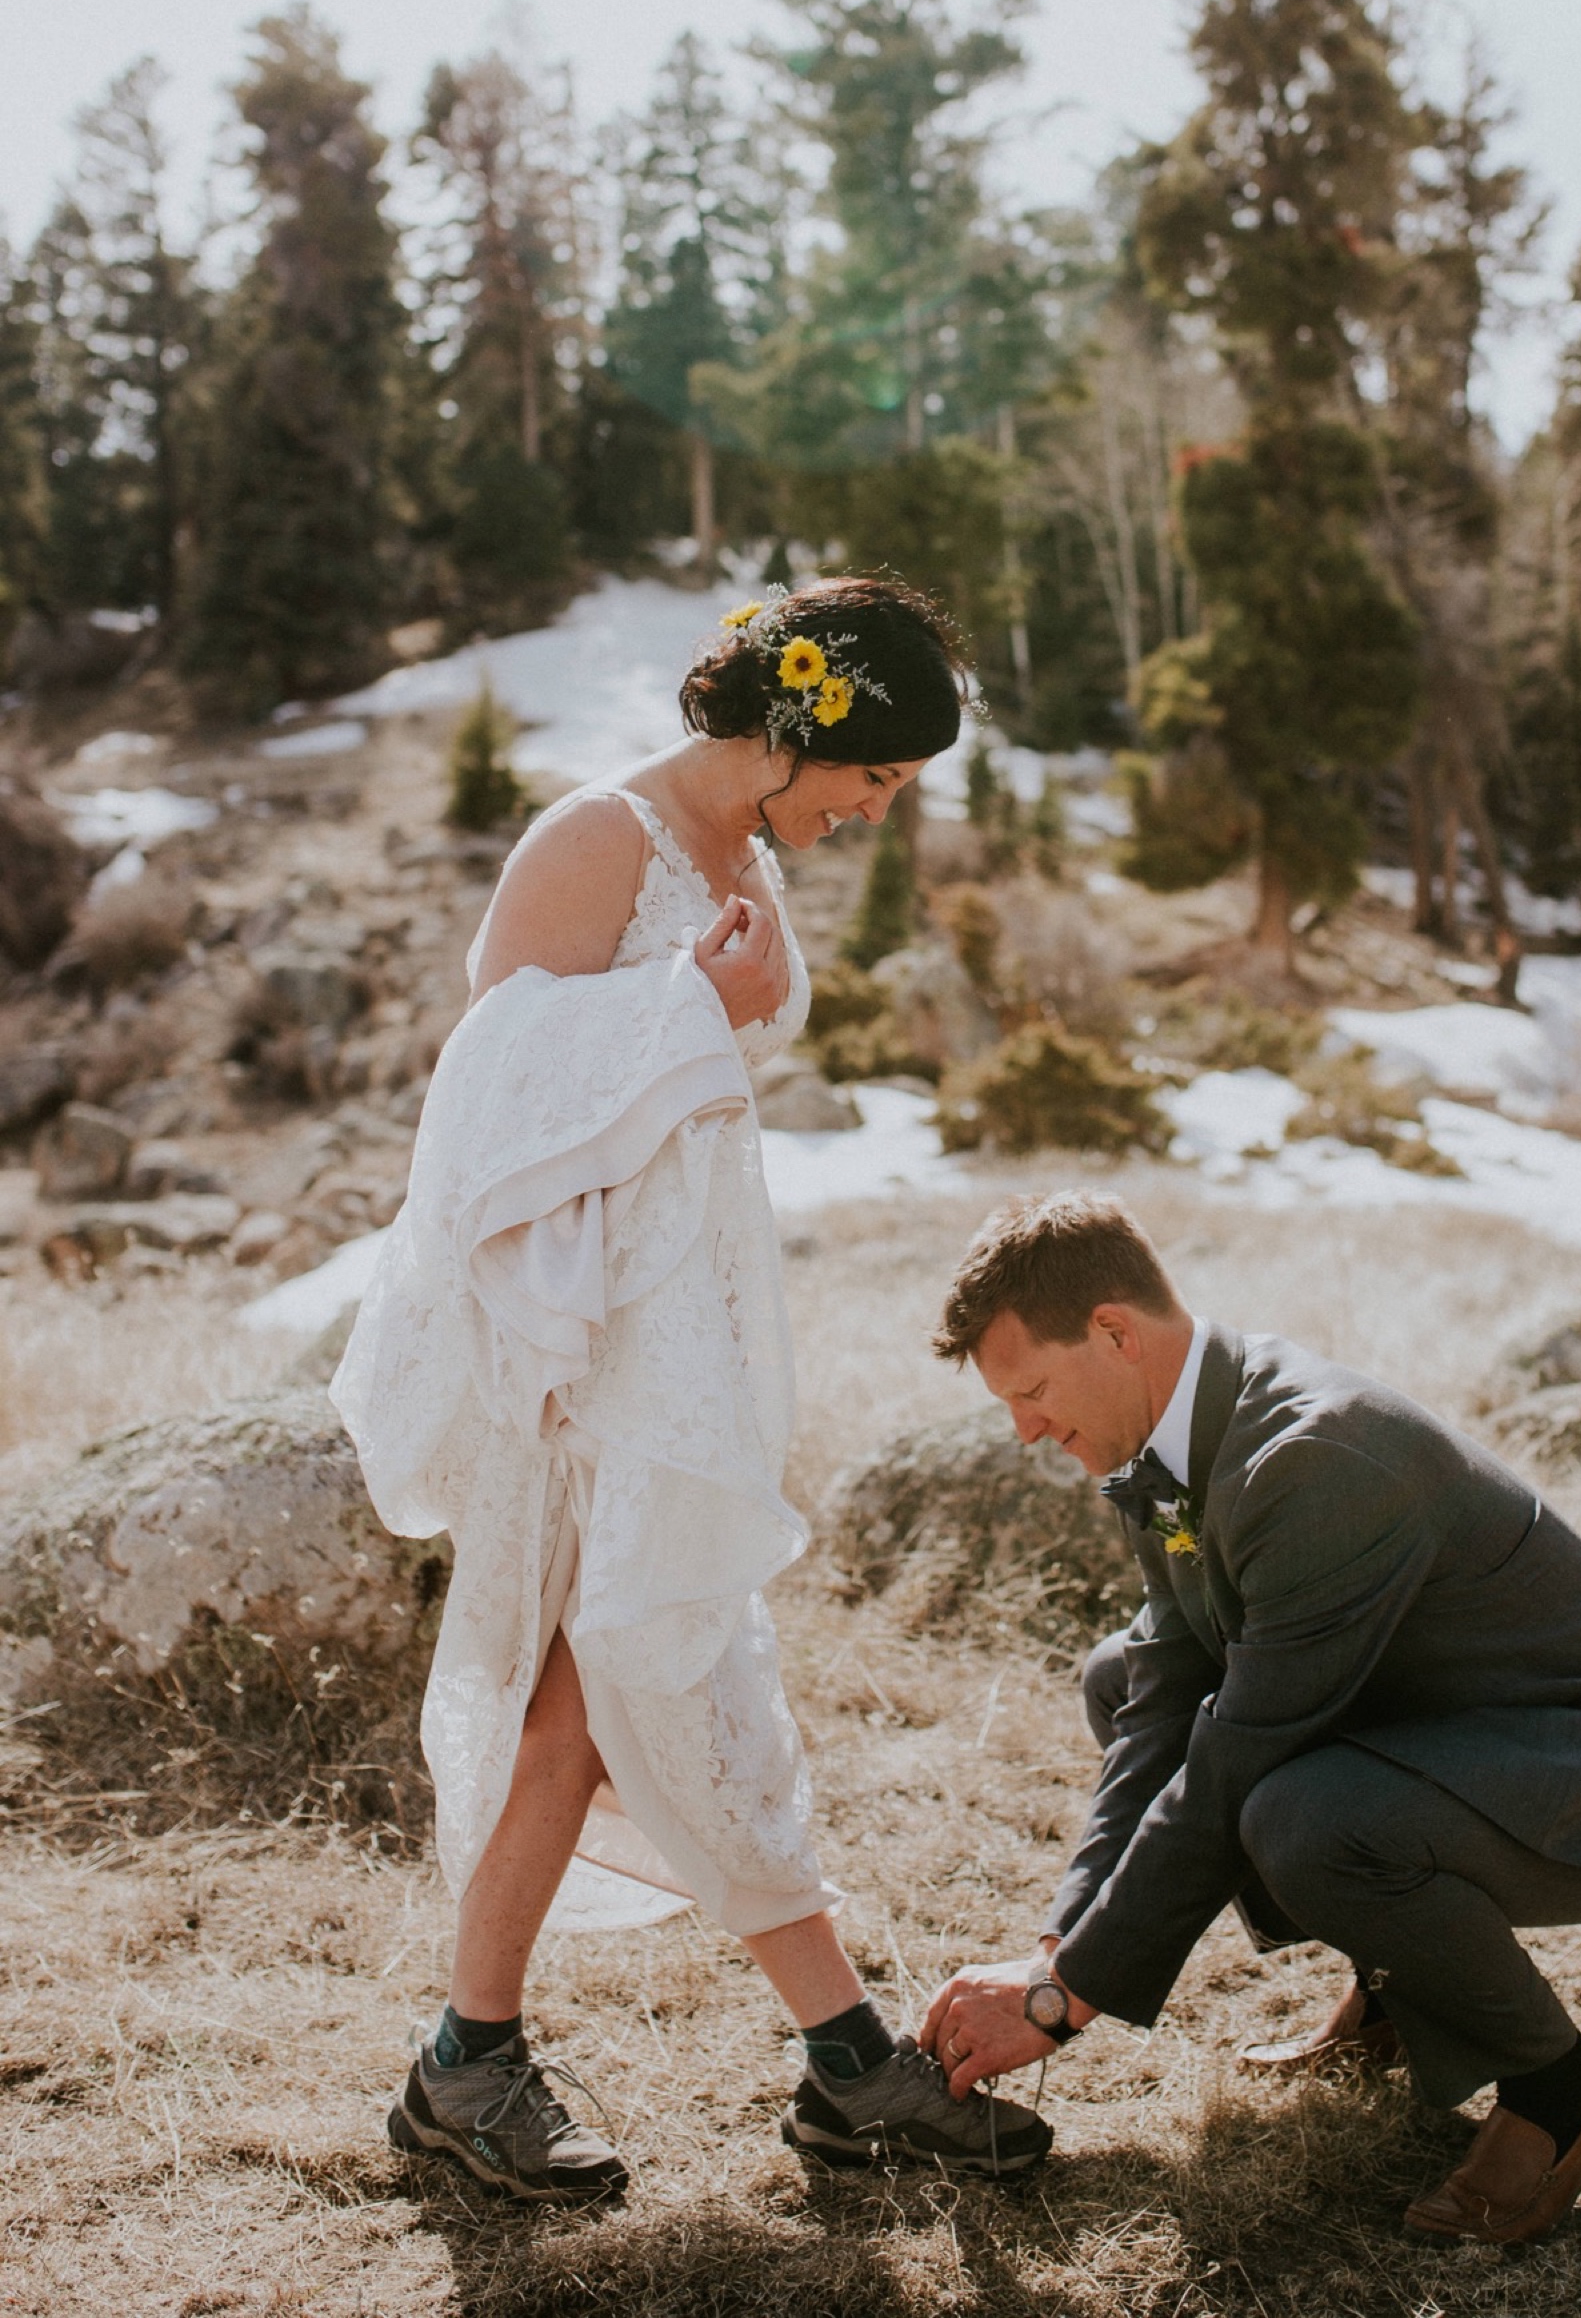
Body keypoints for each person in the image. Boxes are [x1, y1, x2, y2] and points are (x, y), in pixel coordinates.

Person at [334, 577, 1052, 2203]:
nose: (874, 813)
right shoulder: (598, 839)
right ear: (805, 730)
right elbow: (485, 1098)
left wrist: (702, 1026)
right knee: (618, 1691)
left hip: (680, 1339)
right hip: (578, 1360)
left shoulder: (740, 858)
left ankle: (511, 2066)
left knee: (617, 1703)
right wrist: (691, 1010)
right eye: (872, 779)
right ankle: (829, 2073)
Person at [919, 1192, 1581, 2248]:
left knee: (1302, 1815)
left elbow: (1235, 1755)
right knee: (1118, 1677)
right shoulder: (1172, 1433)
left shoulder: (1315, 1454)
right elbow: (1168, 1693)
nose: (1027, 1427)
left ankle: (1559, 2087)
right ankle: (1393, 1994)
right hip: (1441, 1731)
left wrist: (1059, 1999)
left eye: (1033, 1389)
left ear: (1114, 1332)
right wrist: (1064, 1936)